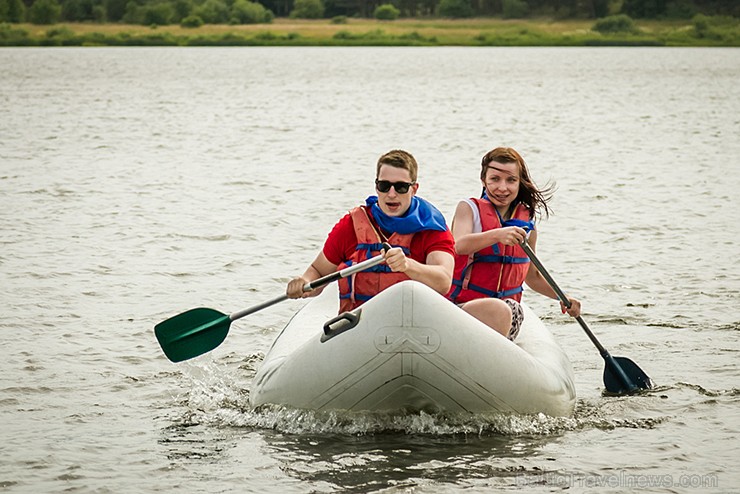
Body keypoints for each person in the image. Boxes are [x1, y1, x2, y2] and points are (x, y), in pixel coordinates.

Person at [287, 149, 455, 312]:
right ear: (376, 187)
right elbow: (318, 271)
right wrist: (304, 282)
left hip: (413, 324)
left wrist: (408, 265)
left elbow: (443, 281)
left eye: (401, 187)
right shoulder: (351, 225)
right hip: (360, 324)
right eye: (384, 186)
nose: (391, 194)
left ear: (414, 189)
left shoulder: (432, 227)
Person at [447, 147, 581, 340]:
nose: (502, 188)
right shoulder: (468, 209)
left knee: (505, 309)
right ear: (483, 180)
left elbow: (533, 276)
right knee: (498, 309)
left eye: (511, 180)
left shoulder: (527, 228)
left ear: (520, 183)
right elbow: (459, 244)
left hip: (507, 314)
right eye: (495, 179)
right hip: (461, 308)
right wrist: (497, 235)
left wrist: (562, 297)